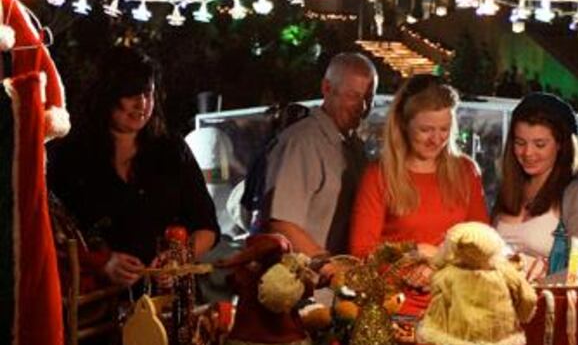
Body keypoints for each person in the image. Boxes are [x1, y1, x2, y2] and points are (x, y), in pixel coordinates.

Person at [47, 46, 219, 289]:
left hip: (166, 299)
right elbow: (53, 236)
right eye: (132, 95)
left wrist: (179, 258)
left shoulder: (171, 150)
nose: (142, 104)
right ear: (107, 95)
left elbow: (207, 226)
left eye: (148, 94)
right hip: (95, 307)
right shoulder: (71, 156)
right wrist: (102, 263)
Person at [349, 74, 490, 316]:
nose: (436, 139)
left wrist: (437, 261)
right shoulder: (378, 176)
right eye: (425, 130)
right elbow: (361, 253)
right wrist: (413, 252)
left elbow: (483, 246)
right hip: (393, 308)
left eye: (444, 129)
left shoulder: (466, 172)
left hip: (454, 307)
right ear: (404, 124)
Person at [261, 52, 377, 257]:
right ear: (327, 88)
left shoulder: (355, 147)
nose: (362, 107)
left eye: (369, 98)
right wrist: (327, 265)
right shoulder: (301, 143)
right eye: (353, 96)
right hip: (311, 282)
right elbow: (282, 224)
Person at [494, 93, 578, 282]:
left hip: (551, 307)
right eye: (520, 143)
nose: (528, 153)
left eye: (540, 144)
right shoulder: (509, 190)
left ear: (561, 145)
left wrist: (536, 288)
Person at [419, 222, 536, 345]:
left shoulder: (448, 274)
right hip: (495, 332)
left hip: (460, 331)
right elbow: (527, 297)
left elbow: (438, 301)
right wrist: (523, 314)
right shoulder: (504, 272)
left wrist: (434, 326)